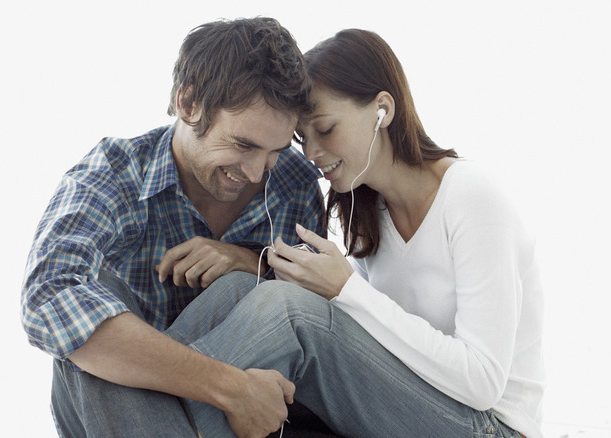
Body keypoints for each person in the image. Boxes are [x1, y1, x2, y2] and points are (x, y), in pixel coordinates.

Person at [178, 29, 545, 437]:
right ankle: (134, 388)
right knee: (238, 291)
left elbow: (482, 383)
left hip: (488, 426)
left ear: (382, 109)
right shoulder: (370, 212)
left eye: (326, 129)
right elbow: (367, 346)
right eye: (304, 139)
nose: (313, 154)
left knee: (289, 311)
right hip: (407, 407)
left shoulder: (470, 197)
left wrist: (347, 290)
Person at [20, 17, 325, 437]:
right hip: (118, 417)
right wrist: (232, 389)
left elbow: (317, 321)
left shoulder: (296, 186)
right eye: (243, 144)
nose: (257, 173)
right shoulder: (115, 173)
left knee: (246, 289)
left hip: (246, 425)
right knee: (93, 308)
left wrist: (254, 262)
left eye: (275, 150)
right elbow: (48, 297)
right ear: (188, 103)